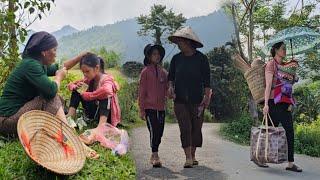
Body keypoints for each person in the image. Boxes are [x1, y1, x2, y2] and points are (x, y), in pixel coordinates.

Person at [0, 31, 85, 136]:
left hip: (16, 117)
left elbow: (62, 67)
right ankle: (67, 133)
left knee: (58, 98)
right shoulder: (31, 65)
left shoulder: (37, 64)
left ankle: (62, 128)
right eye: (54, 50)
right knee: (49, 97)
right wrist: (59, 77)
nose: (56, 54)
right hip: (7, 122)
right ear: (44, 52)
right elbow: (51, 91)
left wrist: (80, 57)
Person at [167, 26, 212, 168]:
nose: (178, 45)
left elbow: (207, 81)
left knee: (196, 128)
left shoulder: (201, 59)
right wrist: (170, 88)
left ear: (187, 42)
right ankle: (187, 158)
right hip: (179, 100)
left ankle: (193, 155)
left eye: (180, 42)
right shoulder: (176, 59)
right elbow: (171, 78)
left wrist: (207, 97)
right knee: (185, 127)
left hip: (197, 100)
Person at [261, 41, 302, 172]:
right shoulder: (271, 64)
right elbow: (268, 86)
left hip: (285, 103)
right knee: (268, 132)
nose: (284, 51)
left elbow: (288, 85)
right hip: (274, 103)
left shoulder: (286, 66)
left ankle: (290, 163)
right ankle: (260, 157)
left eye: (285, 49)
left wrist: (293, 76)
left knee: (289, 131)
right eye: (282, 49)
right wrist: (266, 104)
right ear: (276, 50)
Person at [66, 53, 121, 129]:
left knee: (105, 95)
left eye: (87, 71)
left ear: (96, 68)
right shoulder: (89, 79)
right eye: (83, 72)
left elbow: (107, 90)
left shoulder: (106, 79)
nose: (85, 74)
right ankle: (70, 117)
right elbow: (71, 85)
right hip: (94, 112)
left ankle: (101, 127)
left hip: (105, 116)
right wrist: (75, 87)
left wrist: (89, 95)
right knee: (78, 89)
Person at [138, 44, 167, 167]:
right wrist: (141, 109)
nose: (157, 56)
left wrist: (171, 93)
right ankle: (155, 155)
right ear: (149, 57)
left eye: (158, 54)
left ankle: (154, 153)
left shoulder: (164, 72)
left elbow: (167, 90)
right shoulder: (145, 72)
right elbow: (142, 92)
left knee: (159, 132)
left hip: (161, 108)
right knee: (154, 131)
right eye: (154, 54)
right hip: (149, 108)